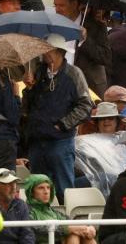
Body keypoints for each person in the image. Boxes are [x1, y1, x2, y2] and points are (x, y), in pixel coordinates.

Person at [24, 41, 92, 202]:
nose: (44, 53)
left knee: (64, 189)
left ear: (60, 52)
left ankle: (67, 224)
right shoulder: (37, 73)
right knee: (38, 189)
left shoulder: (74, 74)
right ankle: (39, 224)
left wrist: (63, 124)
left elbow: (86, 106)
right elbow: (27, 106)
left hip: (61, 141)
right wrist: (29, 89)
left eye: (49, 50)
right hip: (37, 139)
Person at [26, 174, 97, 244]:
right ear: (31, 192)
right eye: (41, 188)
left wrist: (88, 228)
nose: (46, 192)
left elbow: (71, 223)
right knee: (73, 234)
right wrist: (68, 229)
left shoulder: (53, 212)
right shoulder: (26, 211)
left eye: (48, 188)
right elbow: (38, 232)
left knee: (84, 235)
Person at [0, 168, 33, 244]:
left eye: (14, 183)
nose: (14, 187)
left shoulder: (21, 204)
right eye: (8, 184)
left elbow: (27, 234)